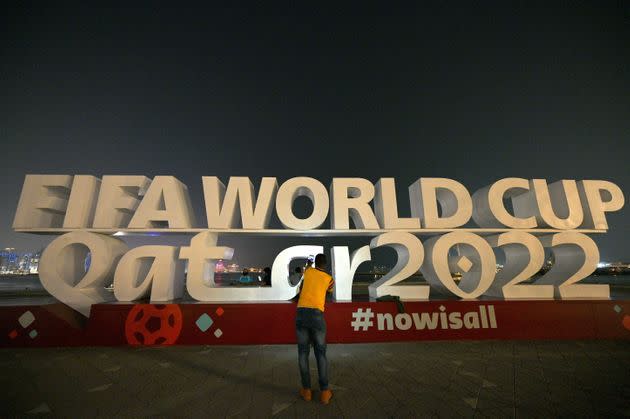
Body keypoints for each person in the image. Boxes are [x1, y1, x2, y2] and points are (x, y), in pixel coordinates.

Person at [295, 253, 334, 404]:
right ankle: (324, 392)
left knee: (303, 353)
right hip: (317, 315)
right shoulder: (329, 279)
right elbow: (329, 292)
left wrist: (309, 263)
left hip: (301, 313)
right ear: (326, 265)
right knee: (320, 353)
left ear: (315, 263)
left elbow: (307, 267)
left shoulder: (308, 271)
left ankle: (306, 391)